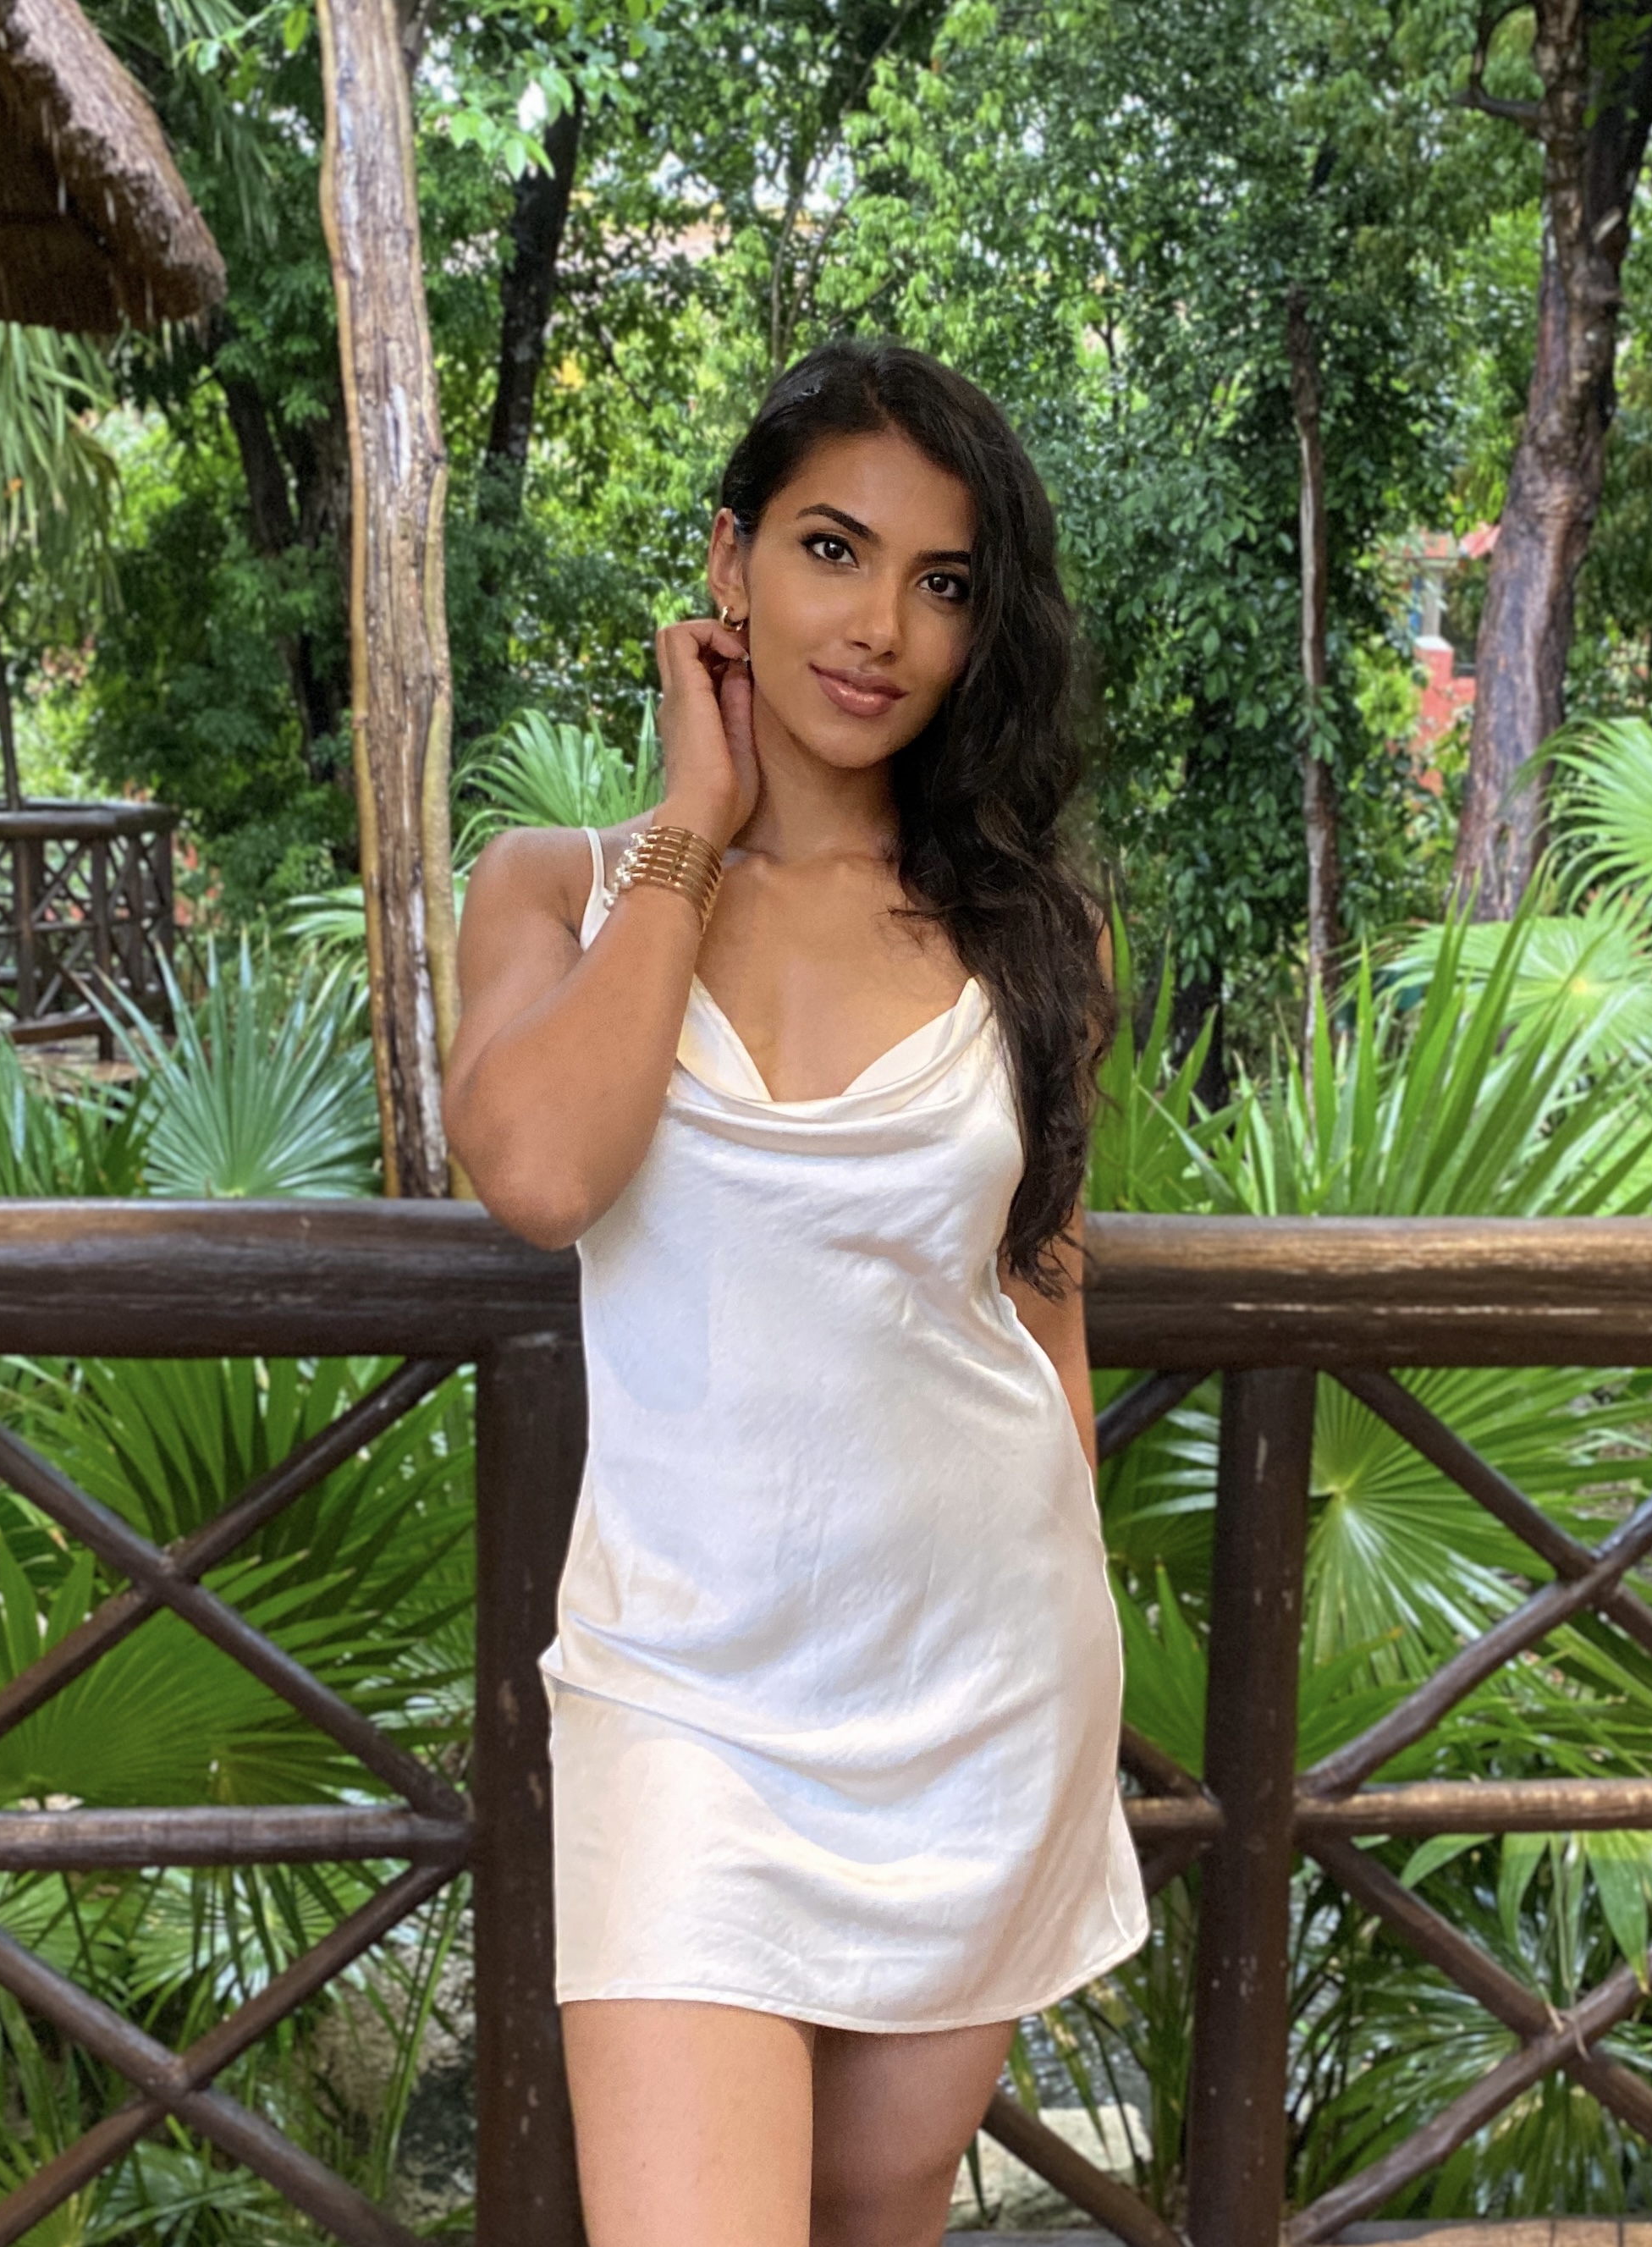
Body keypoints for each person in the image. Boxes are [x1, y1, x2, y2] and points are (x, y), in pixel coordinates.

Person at [443, 339, 1147, 2247]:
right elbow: (541, 1169)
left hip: (978, 1683)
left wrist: (1072, 1641)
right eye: (834, 548)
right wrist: (695, 809)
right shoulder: (552, 888)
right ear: (728, 558)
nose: (884, 626)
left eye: (944, 581)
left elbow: (1043, 1299)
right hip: (685, 1699)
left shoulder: (1033, 930)